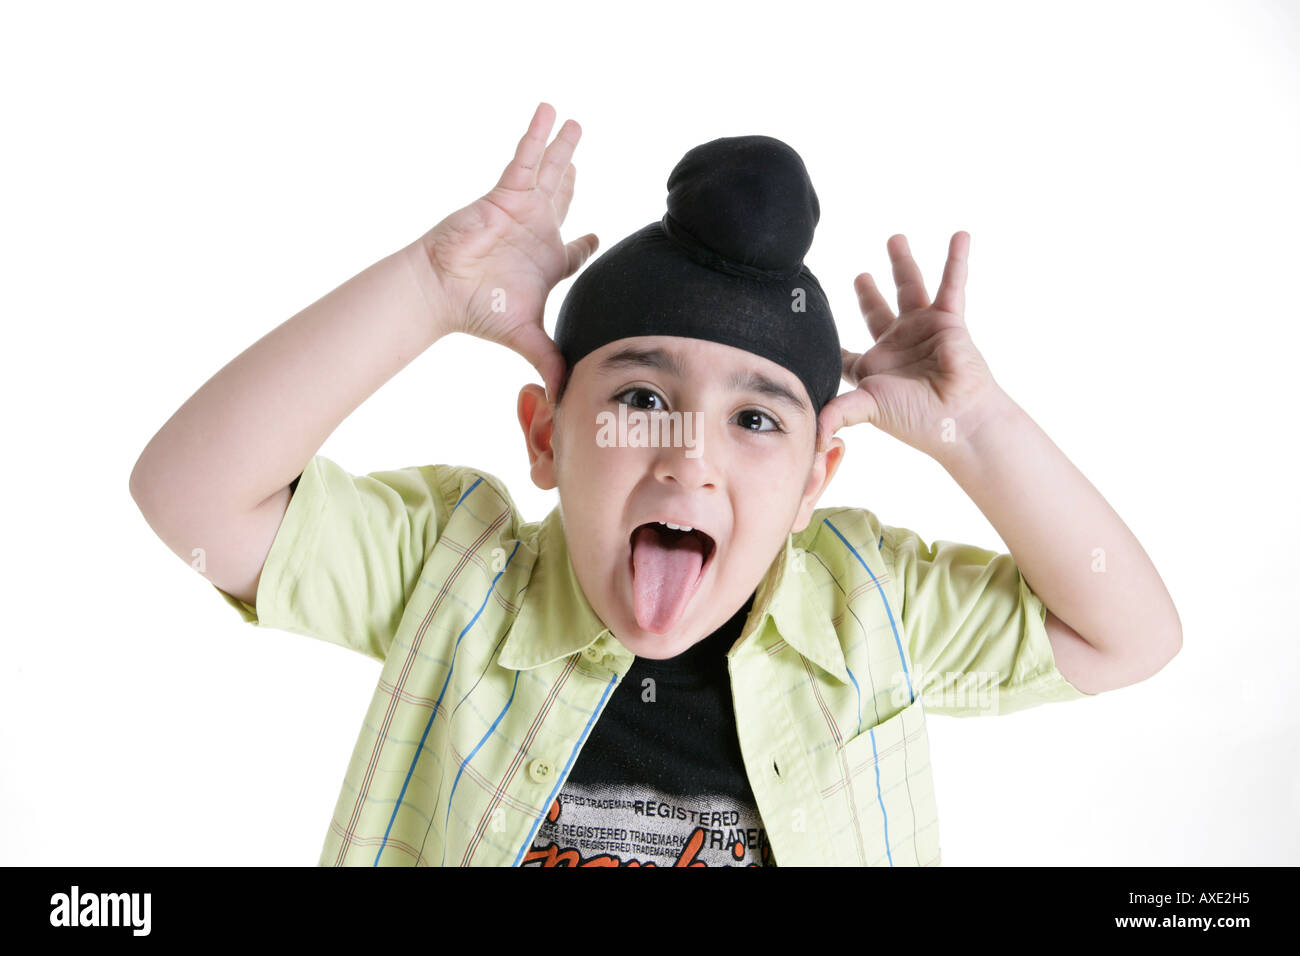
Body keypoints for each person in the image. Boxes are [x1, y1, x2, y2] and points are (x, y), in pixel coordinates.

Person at [129, 101, 1182, 867]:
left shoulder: (872, 610)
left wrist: (979, 431)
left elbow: (1127, 632)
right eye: (640, 401)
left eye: (756, 419)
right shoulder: (455, 576)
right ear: (545, 437)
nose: (691, 458)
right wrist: (427, 289)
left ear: (817, 477)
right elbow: (191, 499)